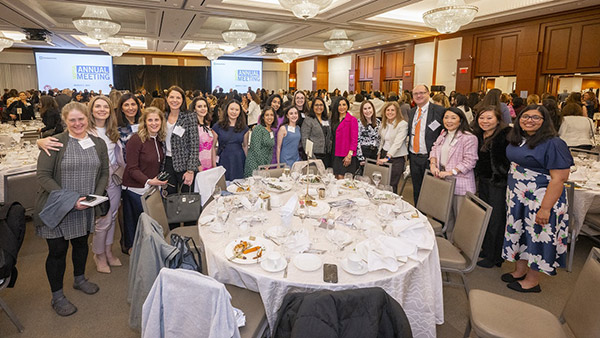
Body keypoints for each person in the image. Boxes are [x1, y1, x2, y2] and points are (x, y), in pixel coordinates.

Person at [35, 102, 109, 316]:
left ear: (88, 119)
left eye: (81, 119)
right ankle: (57, 296)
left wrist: (94, 197)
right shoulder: (55, 143)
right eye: (72, 120)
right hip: (57, 206)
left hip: (85, 206)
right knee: (57, 251)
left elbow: (104, 172)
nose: (77, 123)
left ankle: (79, 279)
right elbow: (43, 177)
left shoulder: (98, 143)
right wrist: (69, 200)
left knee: (80, 244)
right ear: (65, 121)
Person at [502, 105, 573, 293]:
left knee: (538, 235)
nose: (529, 120)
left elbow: (559, 178)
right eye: (525, 116)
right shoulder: (520, 139)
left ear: (545, 121)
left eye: (535, 117)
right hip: (519, 196)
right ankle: (520, 270)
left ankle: (533, 280)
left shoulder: (554, 143)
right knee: (522, 232)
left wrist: (545, 208)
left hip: (541, 198)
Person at [87, 96, 126, 273]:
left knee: (112, 216)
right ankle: (99, 254)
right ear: (91, 109)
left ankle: (109, 251)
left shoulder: (112, 130)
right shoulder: (86, 130)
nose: (102, 110)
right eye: (98, 106)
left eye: (106, 107)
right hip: (96, 180)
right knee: (102, 220)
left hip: (114, 179)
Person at [121, 107, 168, 253]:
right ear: (144, 122)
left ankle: (149, 249)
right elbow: (132, 168)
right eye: (150, 120)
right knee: (135, 222)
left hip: (151, 188)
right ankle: (133, 250)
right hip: (135, 188)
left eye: (157, 120)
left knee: (150, 222)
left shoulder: (158, 139)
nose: (154, 123)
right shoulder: (136, 139)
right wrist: (148, 181)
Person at [472, 106, 511, 268]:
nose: (485, 121)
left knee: (496, 219)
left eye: (489, 118)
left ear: (497, 119)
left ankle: (495, 256)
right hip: (484, 181)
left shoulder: (505, 135)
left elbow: (507, 161)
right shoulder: (480, 135)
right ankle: (487, 249)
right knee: (486, 216)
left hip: (498, 183)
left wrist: (500, 174)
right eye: (482, 118)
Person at [429, 107, 478, 235]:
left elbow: (470, 161)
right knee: (447, 216)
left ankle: (460, 249)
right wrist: (433, 164)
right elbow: (434, 149)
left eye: (453, 118)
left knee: (461, 219)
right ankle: (449, 243)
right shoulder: (443, 134)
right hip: (444, 181)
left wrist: (451, 172)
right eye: (446, 117)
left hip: (461, 183)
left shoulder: (469, 138)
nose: (449, 121)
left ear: (460, 120)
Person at [163, 86, 199, 228]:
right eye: (172, 97)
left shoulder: (189, 117)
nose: (175, 100)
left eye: (178, 97)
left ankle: (190, 231)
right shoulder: (163, 116)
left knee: (187, 199)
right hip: (167, 163)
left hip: (185, 165)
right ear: (167, 99)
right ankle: (174, 232)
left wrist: (191, 170)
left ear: (183, 100)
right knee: (171, 200)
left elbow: (195, 144)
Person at [408, 85, 445, 204]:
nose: (419, 96)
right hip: (414, 156)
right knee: (417, 189)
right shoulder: (412, 111)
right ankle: (418, 214)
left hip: (430, 158)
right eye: (415, 94)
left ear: (428, 93)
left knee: (432, 190)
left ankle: (434, 218)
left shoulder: (439, 111)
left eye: (422, 93)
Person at [213, 100, 250, 181]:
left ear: (240, 112)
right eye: (232, 109)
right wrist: (213, 164)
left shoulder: (244, 128)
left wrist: (247, 164)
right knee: (223, 185)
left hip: (239, 160)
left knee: (238, 186)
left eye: (237, 110)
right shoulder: (218, 126)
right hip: (223, 158)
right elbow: (212, 147)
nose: (234, 112)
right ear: (227, 110)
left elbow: (245, 146)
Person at [376, 102, 408, 194]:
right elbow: (382, 141)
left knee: (391, 185)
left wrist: (388, 157)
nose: (390, 112)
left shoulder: (402, 124)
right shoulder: (384, 123)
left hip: (396, 158)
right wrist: (379, 154)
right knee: (382, 182)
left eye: (392, 110)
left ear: (397, 111)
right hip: (383, 154)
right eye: (388, 110)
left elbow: (397, 143)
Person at [330, 97, 359, 178]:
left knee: (343, 180)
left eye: (344, 105)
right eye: (339, 105)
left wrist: (349, 155)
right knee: (335, 178)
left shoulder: (352, 120)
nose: (342, 107)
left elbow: (354, 139)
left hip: (346, 155)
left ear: (347, 106)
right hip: (335, 153)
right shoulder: (334, 119)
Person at [244, 107, 277, 177]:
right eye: (267, 115)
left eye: (271, 115)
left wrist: (268, 164)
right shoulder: (258, 129)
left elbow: (270, 149)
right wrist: (263, 165)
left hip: (264, 165)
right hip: (254, 164)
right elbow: (256, 149)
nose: (269, 117)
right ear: (263, 117)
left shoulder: (272, 131)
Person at [301, 97, 332, 168]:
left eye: (321, 105)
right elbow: (305, 139)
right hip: (314, 155)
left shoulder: (327, 119)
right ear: (312, 107)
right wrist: (312, 157)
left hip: (327, 156)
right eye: (316, 105)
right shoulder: (308, 120)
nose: (319, 107)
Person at [190, 96, 216, 171]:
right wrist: (198, 167)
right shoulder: (192, 126)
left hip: (210, 164)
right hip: (198, 166)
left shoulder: (207, 125)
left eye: (205, 106)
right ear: (194, 109)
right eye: (199, 106)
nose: (203, 109)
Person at [357, 100, 380, 169]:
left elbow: (379, 139)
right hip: (364, 152)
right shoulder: (359, 123)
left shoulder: (378, 122)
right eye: (365, 109)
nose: (368, 111)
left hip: (375, 153)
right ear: (362, 111)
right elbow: (356, 141)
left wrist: (379, 154)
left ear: (373, 108)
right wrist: (361, 158)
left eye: (369, 108)